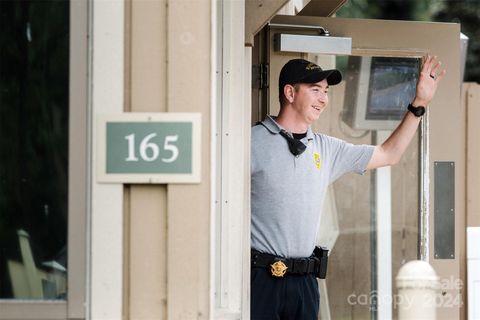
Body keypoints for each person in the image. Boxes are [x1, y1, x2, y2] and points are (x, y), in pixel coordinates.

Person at [250, 56, 445, 319]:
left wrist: (419, 104)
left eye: (326, 91)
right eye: (315, 90)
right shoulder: (251, 142)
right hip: (262, 280)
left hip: (305, 283)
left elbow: (389, 154)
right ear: (290, 92)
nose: (323, 99)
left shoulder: (327, 148)